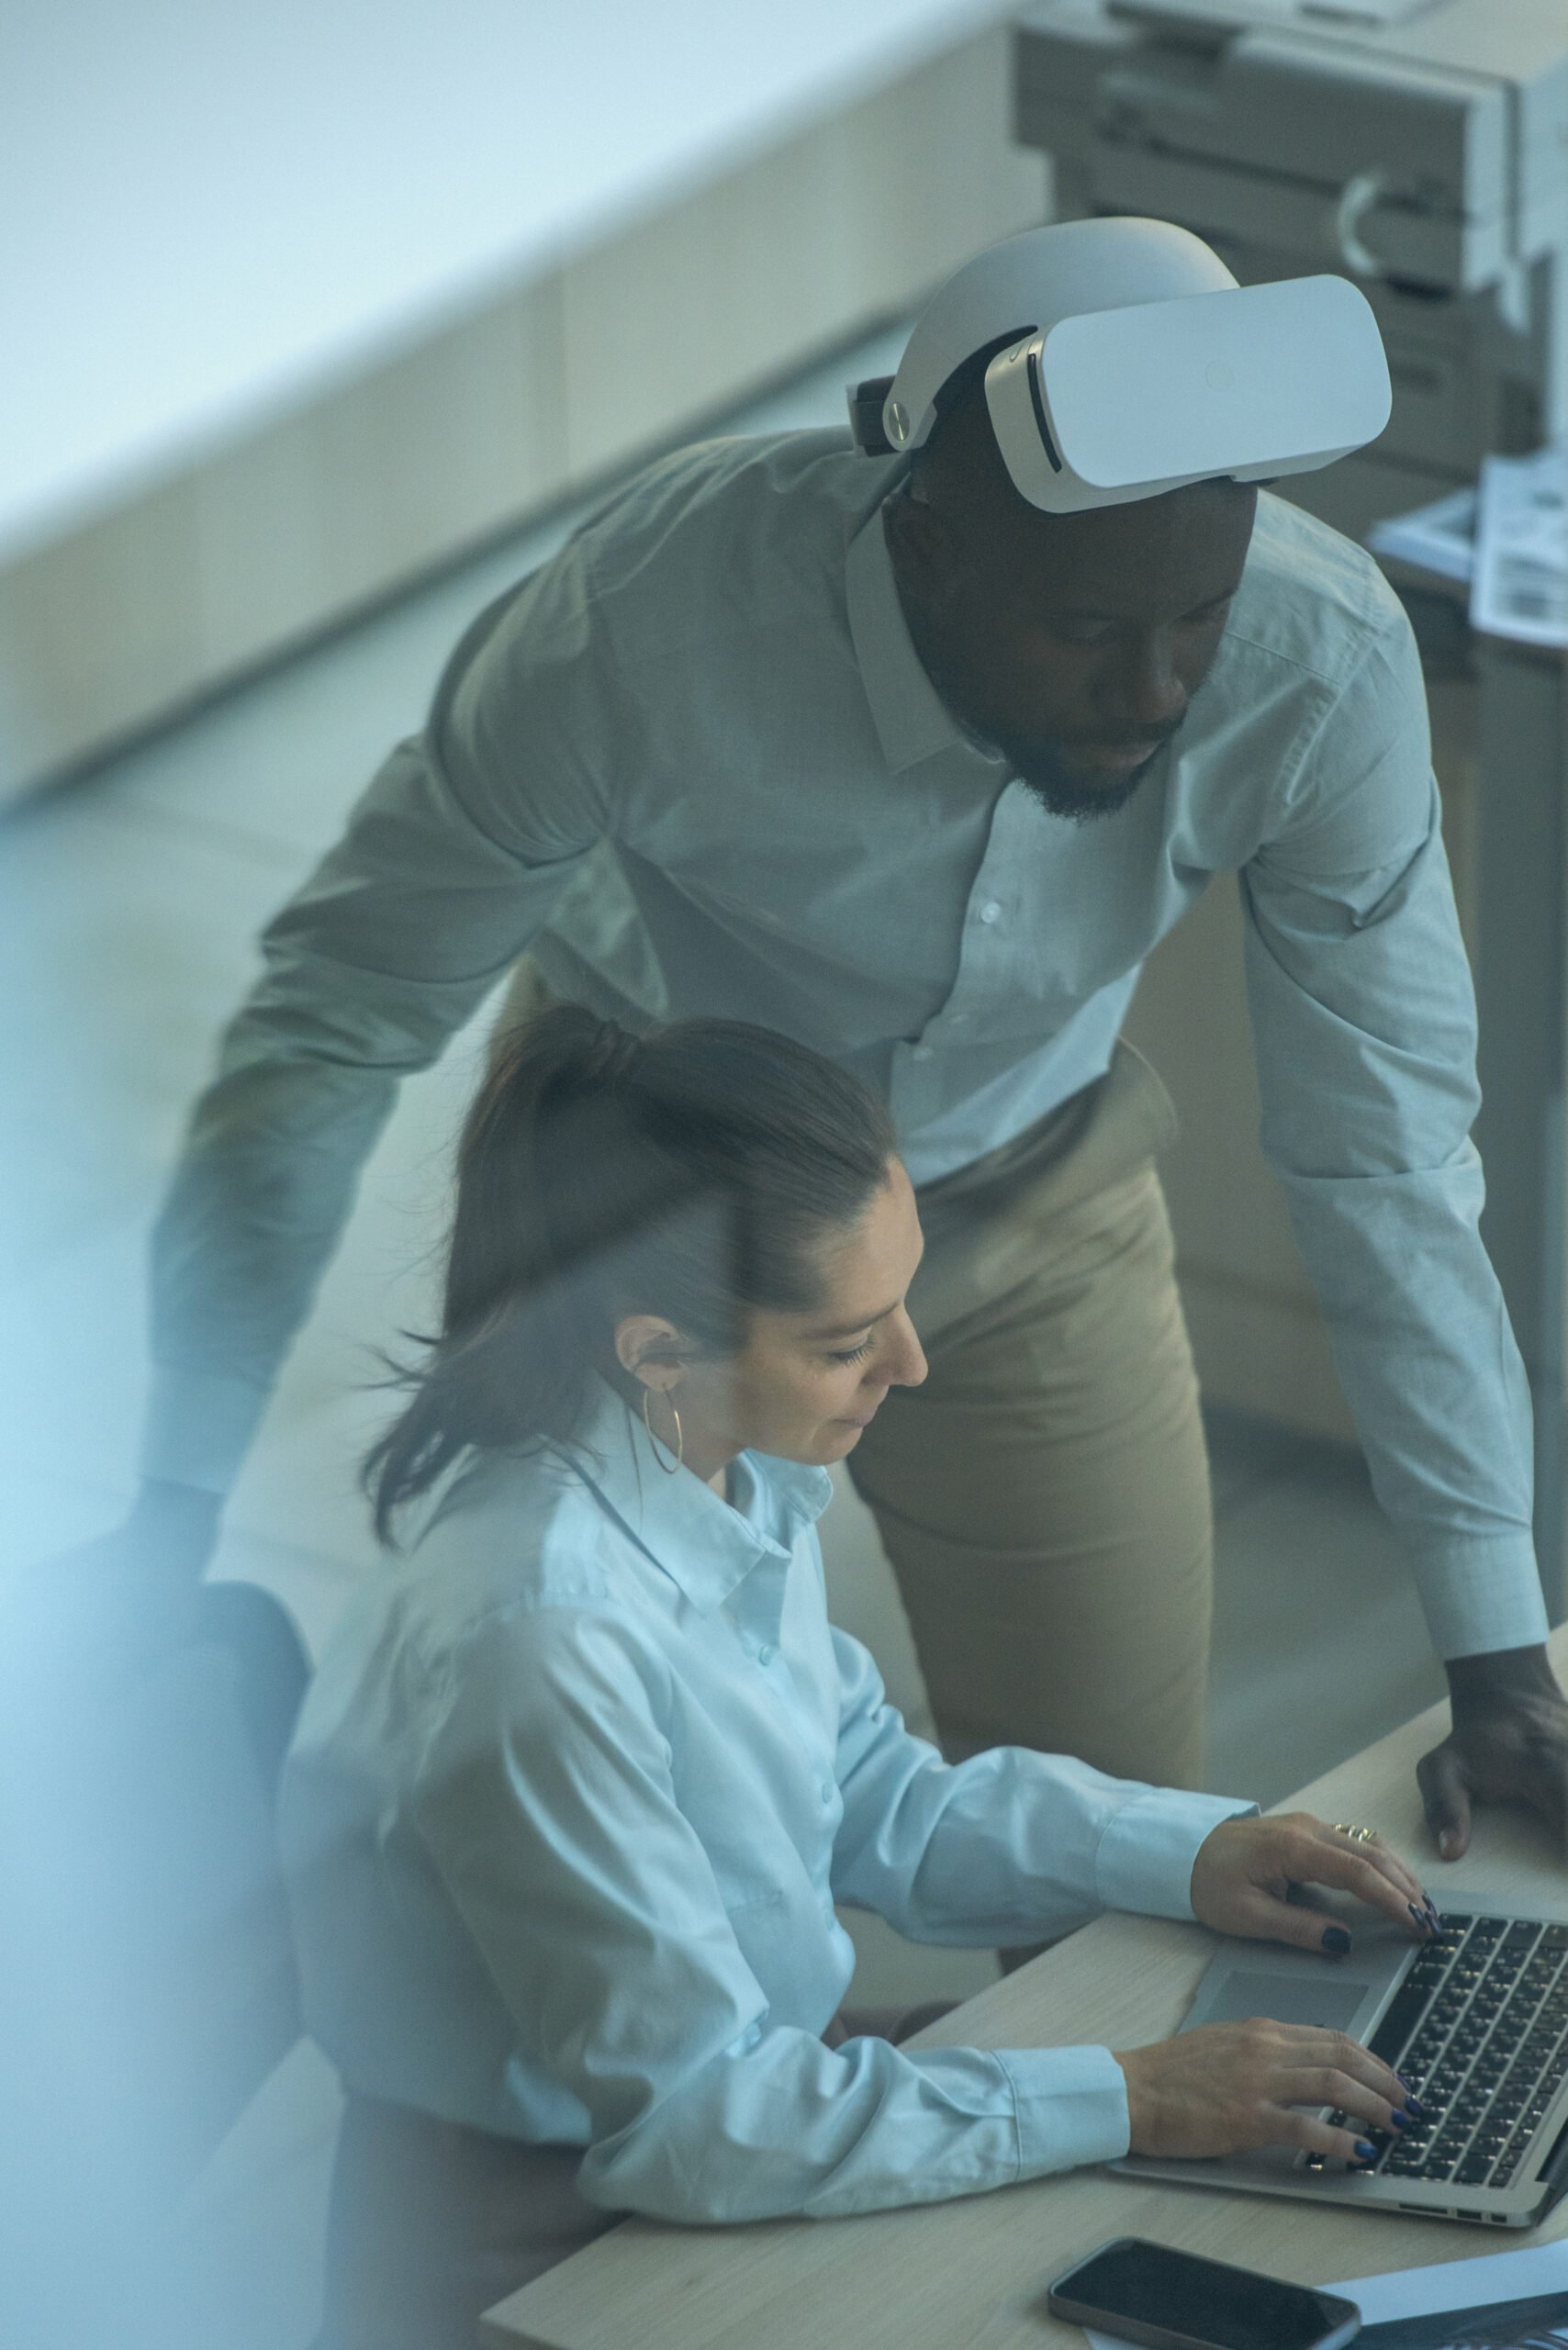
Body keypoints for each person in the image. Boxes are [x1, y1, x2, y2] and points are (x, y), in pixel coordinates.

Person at [106, 215, 1565, 1863]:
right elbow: (341, 1012)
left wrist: (1496, 1650)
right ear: (924, 542)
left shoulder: (1316, 659)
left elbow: (1382, 1154)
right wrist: (171, 1499)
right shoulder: (644, 618)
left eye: (1196, 619)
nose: (1156, 690)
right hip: (639, 1220)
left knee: (1126, 1843)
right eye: (1088, 631)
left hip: (1027, 1193)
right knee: (621, 1846)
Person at [281, 1008, 1433, 2350]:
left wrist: (1196, 1850)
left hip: (750, 2089)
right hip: (558, 2217)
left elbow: (873, 1796)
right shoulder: (542, 1639)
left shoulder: (721, 1453)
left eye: (902, 1304)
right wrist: (1134, 2095)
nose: (912, 1364)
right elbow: (696, 2125)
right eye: (846, 1342)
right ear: (657, 1349)